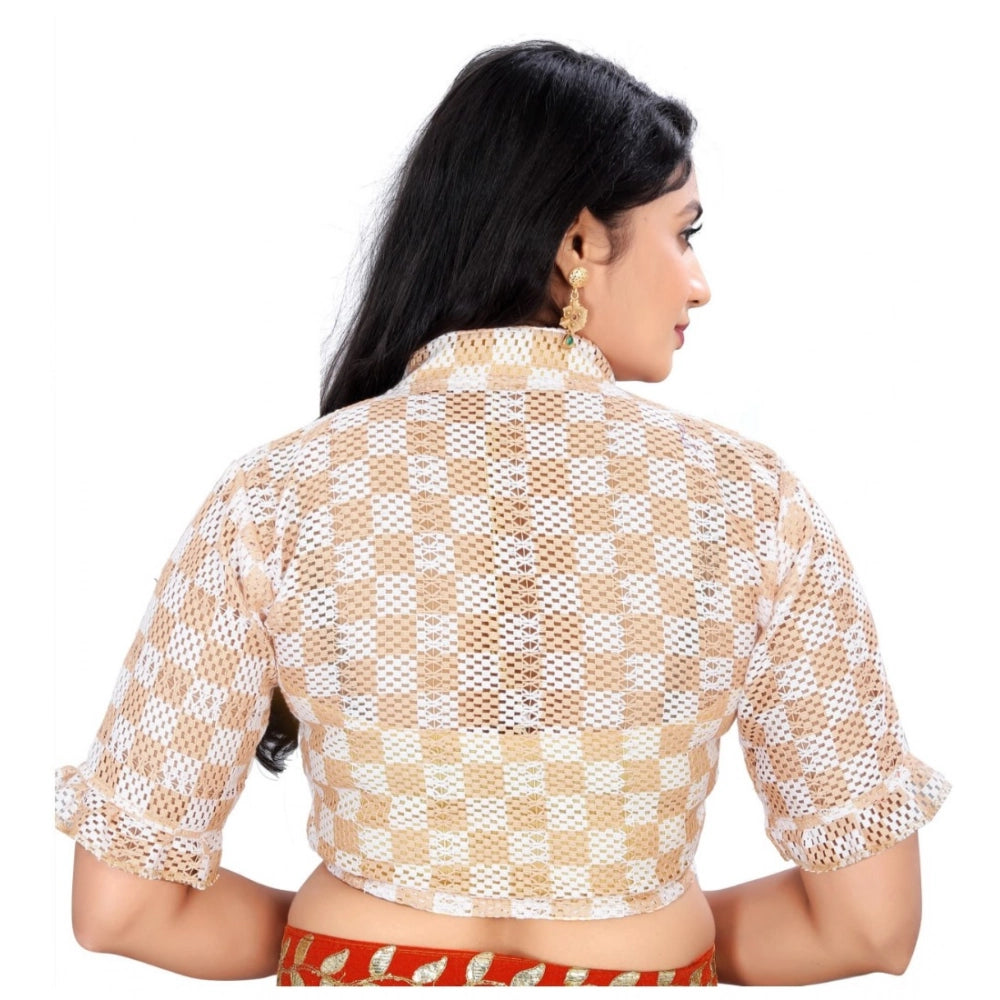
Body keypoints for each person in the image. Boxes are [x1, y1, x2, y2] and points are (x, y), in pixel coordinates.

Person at [55, 39, 951, 987]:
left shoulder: (278, 493)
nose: (699, 282)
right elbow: (868, 928)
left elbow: (123, 908)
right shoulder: (747, 498)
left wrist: (385, 950)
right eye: (684, 233)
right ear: (578, 244)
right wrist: (636, 944)